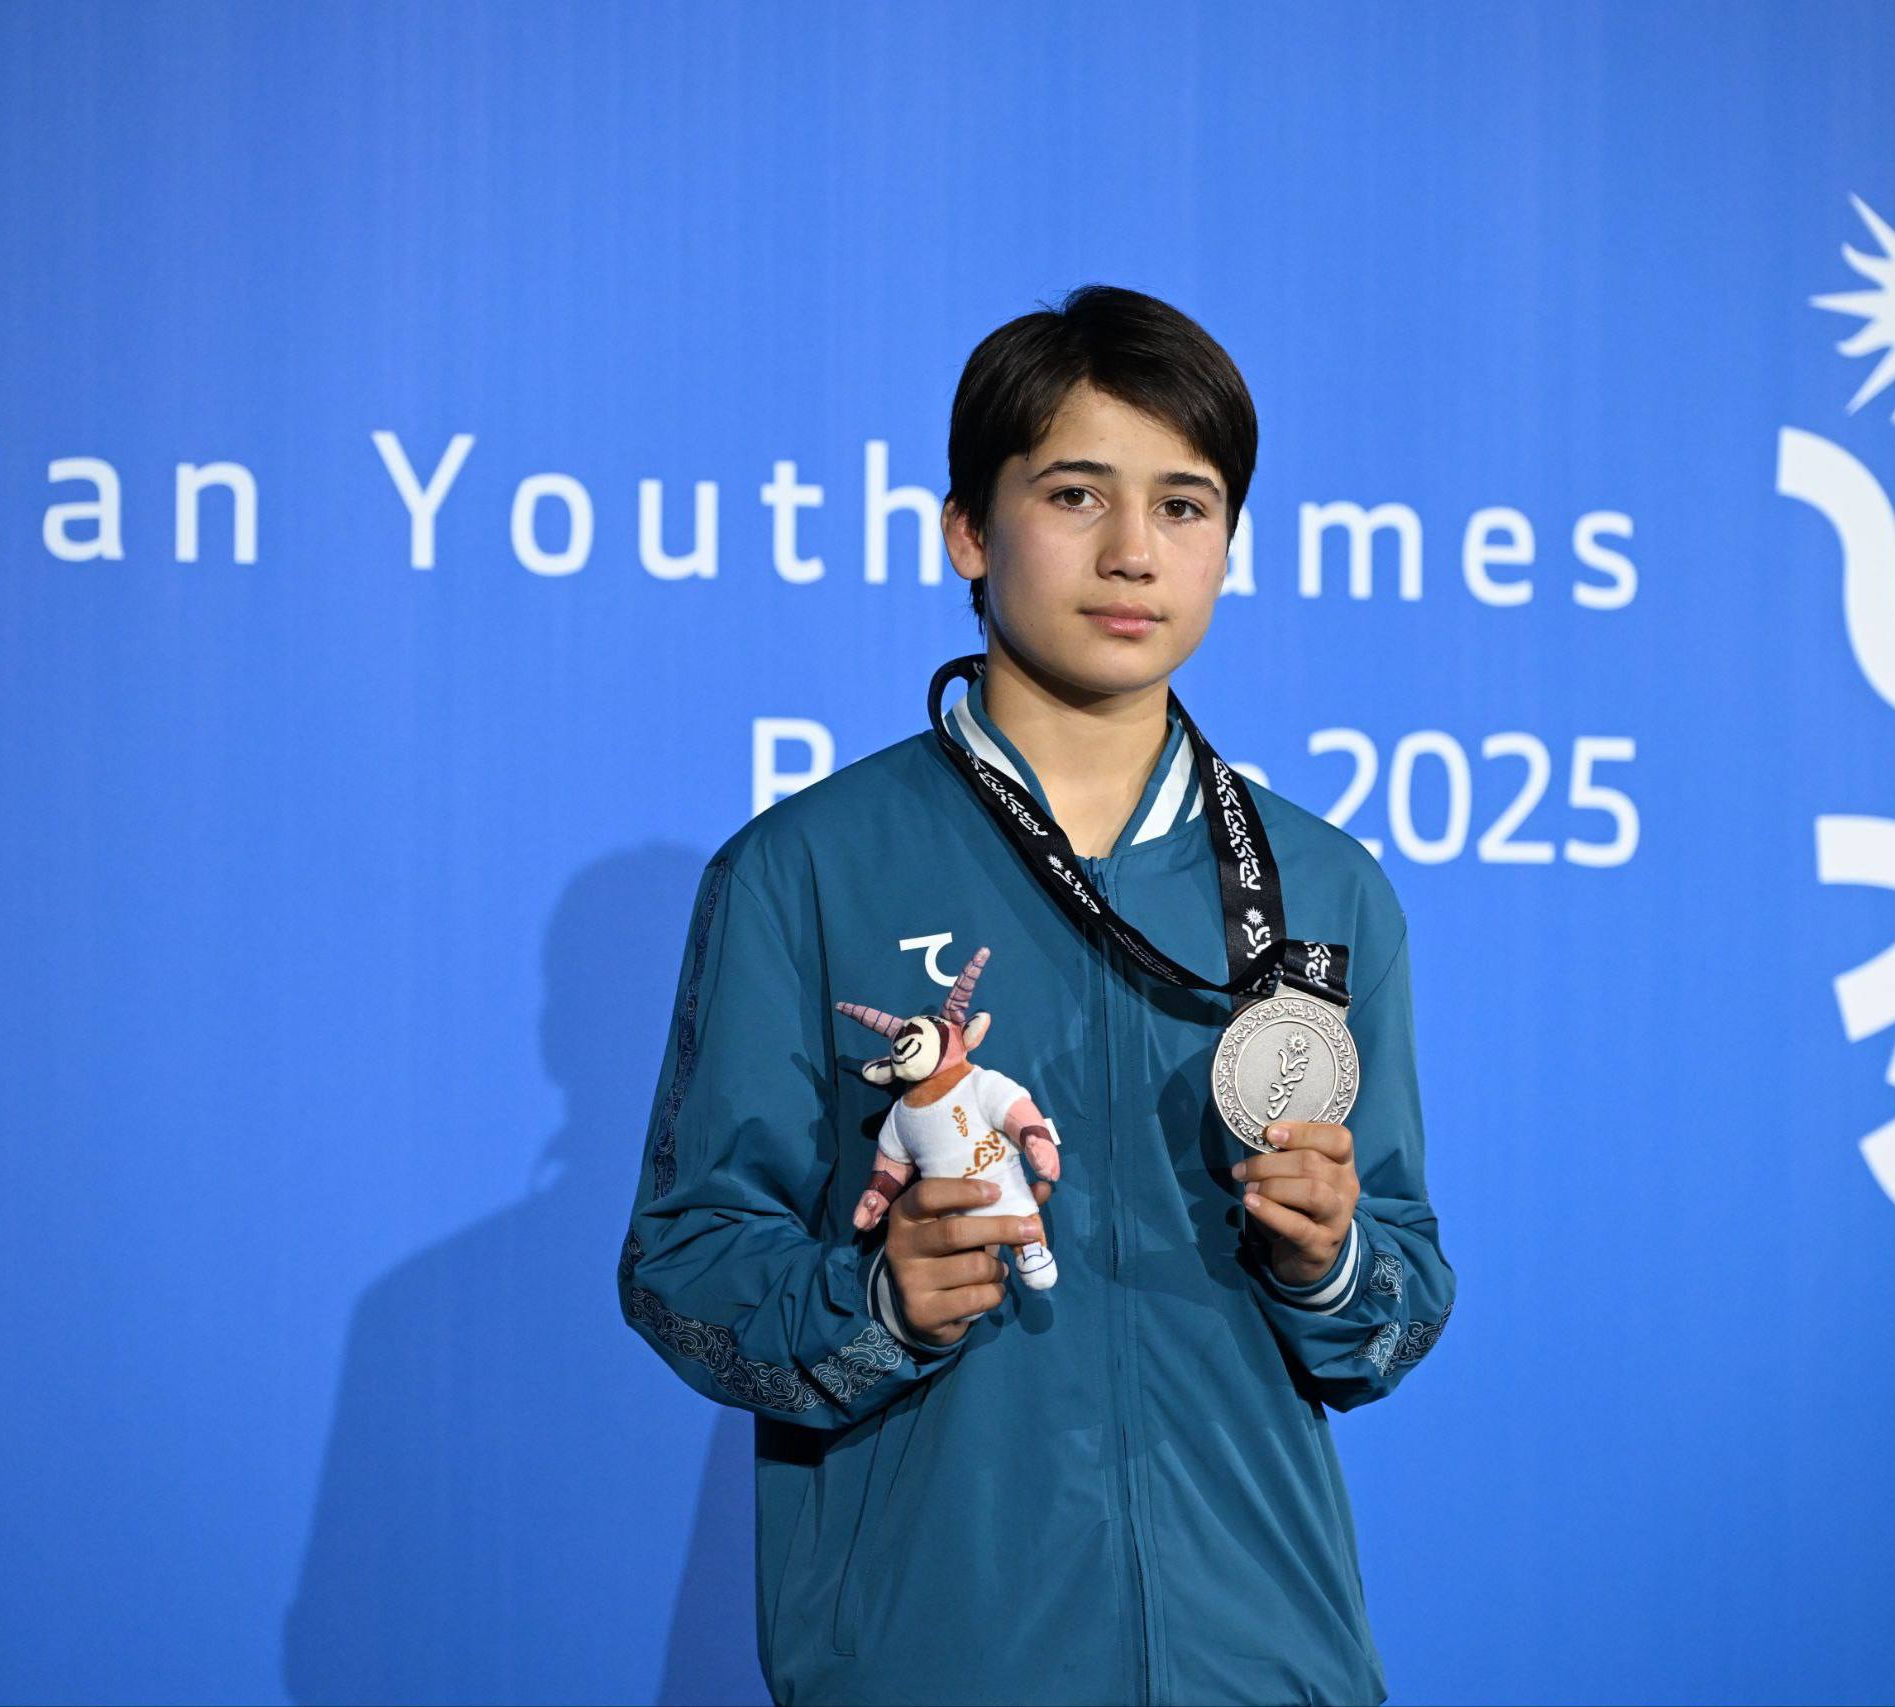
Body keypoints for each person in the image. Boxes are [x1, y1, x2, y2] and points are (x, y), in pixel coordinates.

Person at [618, 283, 1454, 1707]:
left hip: (1267, 1660)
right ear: (967, 528)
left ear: (1230, 544)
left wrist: (1329, 1258)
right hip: (937, 1662)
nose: (1134, 551)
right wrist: (876, 1301)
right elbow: (682, 1266)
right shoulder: (806, 868)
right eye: (1077, 494)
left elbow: (1401, 1301)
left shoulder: (1324, 886)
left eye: (1185, 506)